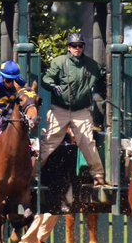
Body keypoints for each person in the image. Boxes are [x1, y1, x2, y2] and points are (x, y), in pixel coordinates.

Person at [39, 32, 110, 187]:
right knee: (48, 143)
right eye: (74, 46)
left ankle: (98, 176)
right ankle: (33, 173)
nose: (77, 48)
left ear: (83, 47)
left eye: (80, 46)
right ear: (68, 47)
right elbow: (46, 78)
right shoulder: (59, 62)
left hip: (81, 111)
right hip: (60, 109)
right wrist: (52, 85)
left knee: (87, 142)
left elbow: (104, 76)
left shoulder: (91, 65)